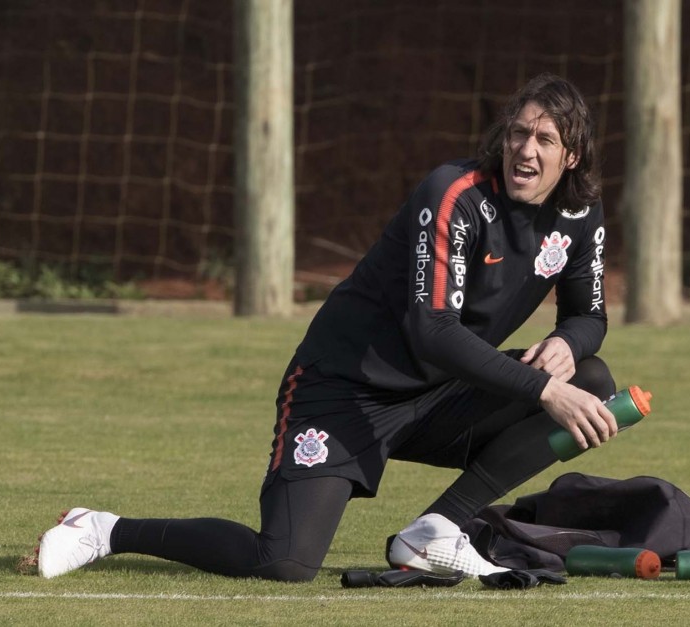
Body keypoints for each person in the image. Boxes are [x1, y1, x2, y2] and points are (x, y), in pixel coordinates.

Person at [37, 73, 619, 582]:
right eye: (519, 133)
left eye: (546, 139)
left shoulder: (578, 211)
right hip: (343, 389)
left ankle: (437, 529)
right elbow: (433, 330)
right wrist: (544, 387)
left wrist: (567, 343)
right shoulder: (455, 195)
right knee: (284, 562)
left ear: (571, 157)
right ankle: (104, 530)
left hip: (441, 395)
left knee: (590, 382)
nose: (527, 149)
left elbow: (589, 315)